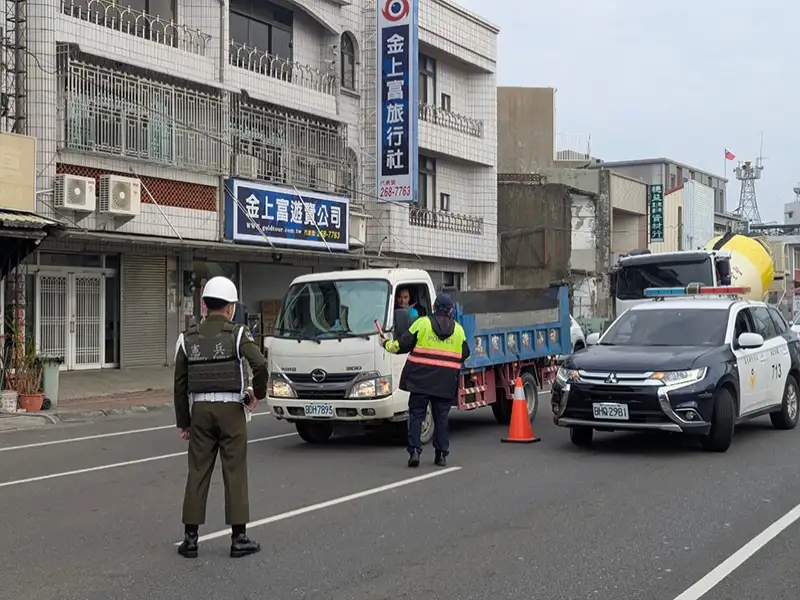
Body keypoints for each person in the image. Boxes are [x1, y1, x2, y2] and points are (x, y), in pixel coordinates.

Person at [173, 276, 268, 559]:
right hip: (231, 411)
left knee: (198, 472)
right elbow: (260, 364)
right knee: (234, 472)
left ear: (203, 305)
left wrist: (184, 422)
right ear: (231, 308)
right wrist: (256, 393)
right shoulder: (238, 334)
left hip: (200, 411)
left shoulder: (187, 338)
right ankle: (239, 539)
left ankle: (190, 540)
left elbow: (179, 383)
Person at [381, 293, 469, 467]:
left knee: (416, 416)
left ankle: (414, 452)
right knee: (441, 419)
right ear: (451, 311)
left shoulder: (422, 323)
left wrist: (385, 343)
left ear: (434, 307)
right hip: (444, 383)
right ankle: (441, 455)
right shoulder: (458, 330)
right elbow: (465, 355)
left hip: (420, 381)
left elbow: (400, 345)